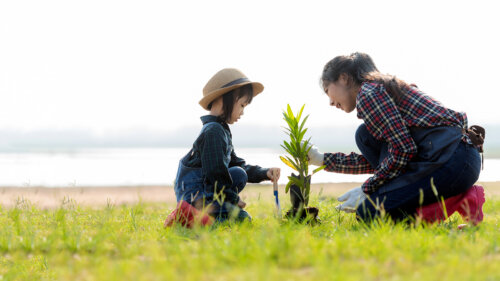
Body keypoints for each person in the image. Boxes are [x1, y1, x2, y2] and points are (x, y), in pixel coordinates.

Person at [307, 52, 485, 223]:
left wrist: (366, 189)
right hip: (457, 159)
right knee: (364, 135)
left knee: (369, 213)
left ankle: (460, 200)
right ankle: (451, 200)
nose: (330, 102)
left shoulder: (368, 94)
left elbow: (403, 150)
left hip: (451, 160)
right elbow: (388, 160)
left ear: (344, 78)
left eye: (327, 90)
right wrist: (321, 159)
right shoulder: (378, 89)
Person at [171, 68, 280, 224]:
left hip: (208, 193)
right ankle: (195, 216)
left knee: (239, 173)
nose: (242, 112)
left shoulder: (220, 130)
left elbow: (235, 164)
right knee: (243, 219)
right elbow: (216, 173)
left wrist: (263, 173)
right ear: (225, 99)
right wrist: (233, 199)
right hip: (196, 198)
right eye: (242, 105)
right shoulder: (213, 131)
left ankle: (210, 215)